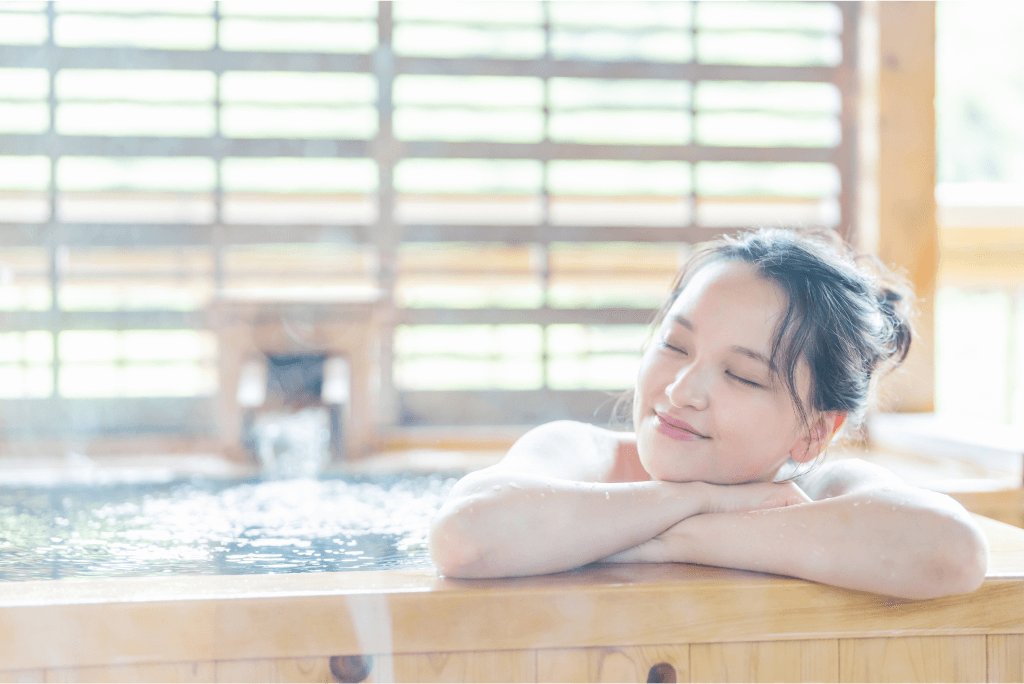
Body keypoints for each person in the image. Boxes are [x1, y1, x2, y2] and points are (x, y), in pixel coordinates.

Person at [429, 227, 988, 599]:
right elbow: (464, 539)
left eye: (742, 374)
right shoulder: (580, 452)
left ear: (814, 433)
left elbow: (952, 552)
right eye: (675, 345)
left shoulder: (825, 485)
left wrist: (673, 537)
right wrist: (700, 497)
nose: (681, 389)